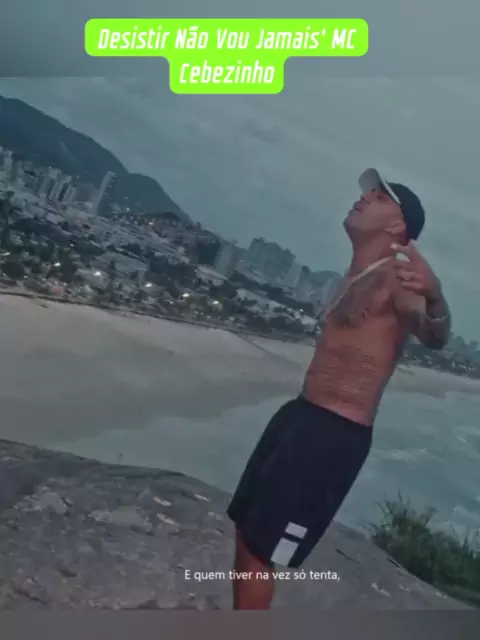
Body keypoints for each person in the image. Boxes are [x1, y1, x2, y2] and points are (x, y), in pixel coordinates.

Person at [226, 168, 451, 610]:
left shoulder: (398, 278)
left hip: (330, 436)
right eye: (368, 192)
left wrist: (437, 296)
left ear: (398, 226)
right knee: (245, 534)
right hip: (300, 415)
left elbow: (433, 335)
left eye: (380, 197)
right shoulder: (354, 275)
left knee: (260, 553)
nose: (364, 197)